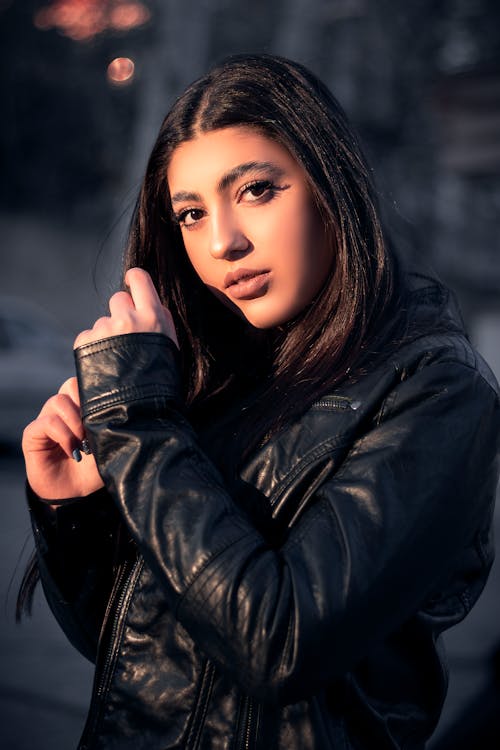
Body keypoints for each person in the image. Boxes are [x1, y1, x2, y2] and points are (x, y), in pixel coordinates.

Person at [20, 53, 499, 750]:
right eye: (190, 213)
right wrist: (75, 509)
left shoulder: (435, 391)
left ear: (334, 184)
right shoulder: (215, 378)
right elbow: (150, 663)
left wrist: (140, 425)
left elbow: (281, 643)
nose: (223, 242)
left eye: (255, 191)